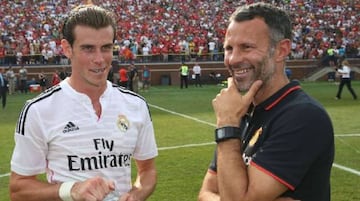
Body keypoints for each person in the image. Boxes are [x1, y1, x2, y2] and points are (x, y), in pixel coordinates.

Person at [10, 4, 158, 201]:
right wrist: (71, 190)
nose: (99, 59)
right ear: (67, 48)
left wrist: (135, 194)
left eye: (106, 48)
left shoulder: (136, 105)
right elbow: (18, 189)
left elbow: (147, 171)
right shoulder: (38, 110)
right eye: (88, 48)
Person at [198, 3, 334, 201]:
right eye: (228, 48)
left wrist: (227, 123)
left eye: (247, 47)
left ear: (281, 50)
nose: (233, 59)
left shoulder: (303, 116)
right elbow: (204, 193)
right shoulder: (242, 111)